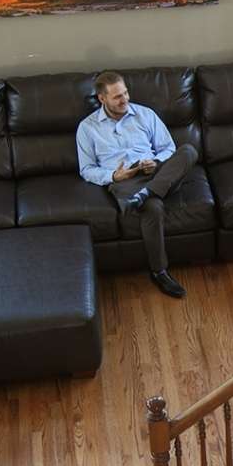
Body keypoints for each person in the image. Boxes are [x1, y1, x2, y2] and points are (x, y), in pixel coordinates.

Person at [76, 71, 198, 298]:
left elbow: (169, 149)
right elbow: (86, 170)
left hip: (159, 173)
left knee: (189, 151)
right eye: (117, 97)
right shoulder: (87, 128)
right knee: (153, 207)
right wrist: (114, 176)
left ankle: (146, 193)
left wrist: (156, 162)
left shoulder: (145, 115)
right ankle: (159, 272)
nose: (125, 100)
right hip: (126, 181)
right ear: (102, 99)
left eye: (125, 93)